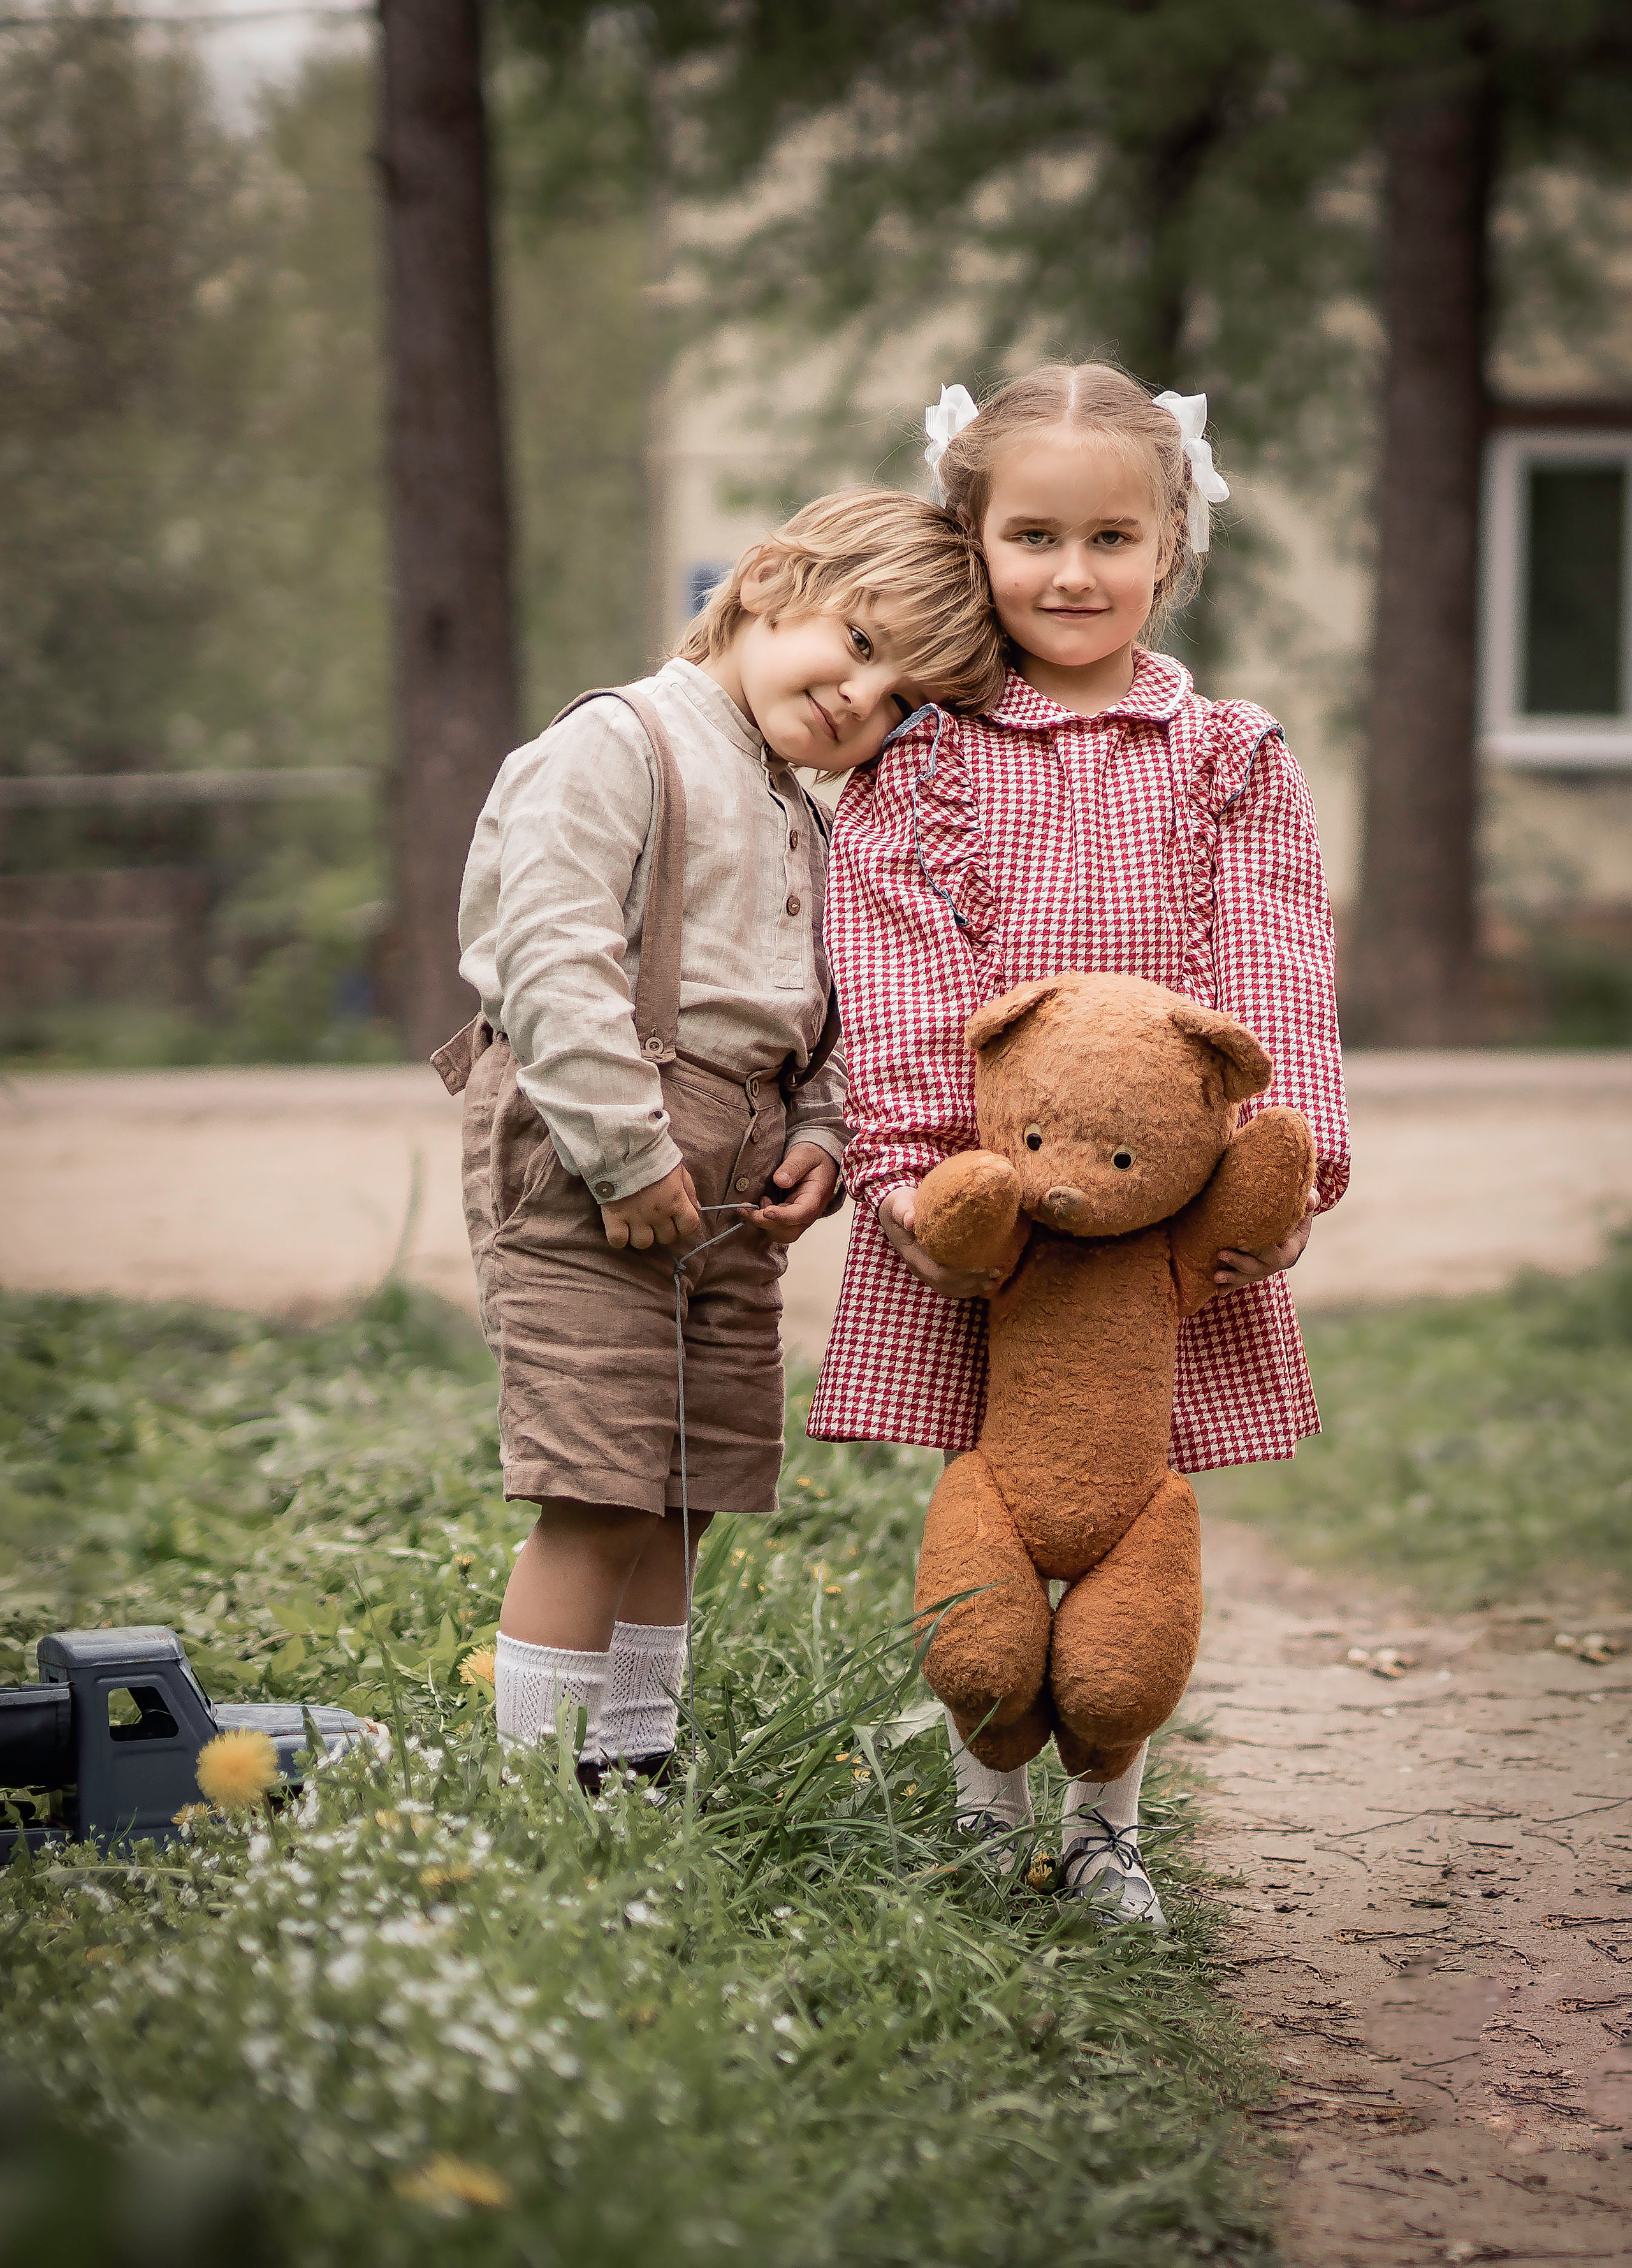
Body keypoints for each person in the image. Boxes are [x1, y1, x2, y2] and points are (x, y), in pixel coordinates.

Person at [809, 364, 1351, 1919]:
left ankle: (1107, 1817)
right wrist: (922, 1176)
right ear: (971, 542)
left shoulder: (1229, 756)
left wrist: (1279, 1161)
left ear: (1170, 543)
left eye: (1110, 536)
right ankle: (988, 1800)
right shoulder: (917, 764)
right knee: (992, 1492)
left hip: (1167, 1217)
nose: (1069, 572)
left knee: (1132, 1504)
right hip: (989, 1213)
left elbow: (1273, 960)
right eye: (1031, 535)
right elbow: (897, 973)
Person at [435, 488, 1007, 1789]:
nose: (862, 702)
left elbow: (820, 1001)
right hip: (593, 1156)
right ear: (764, 583)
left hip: (734, 1181)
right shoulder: (618, 745)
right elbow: (550, 956)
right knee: (599, 1480)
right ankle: (540, 1794)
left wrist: (819, 1126)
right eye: (858, 646)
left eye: (902, 701)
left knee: (689, 1478)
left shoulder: (804, 811)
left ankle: (634, 1758)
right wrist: (624, 1153)